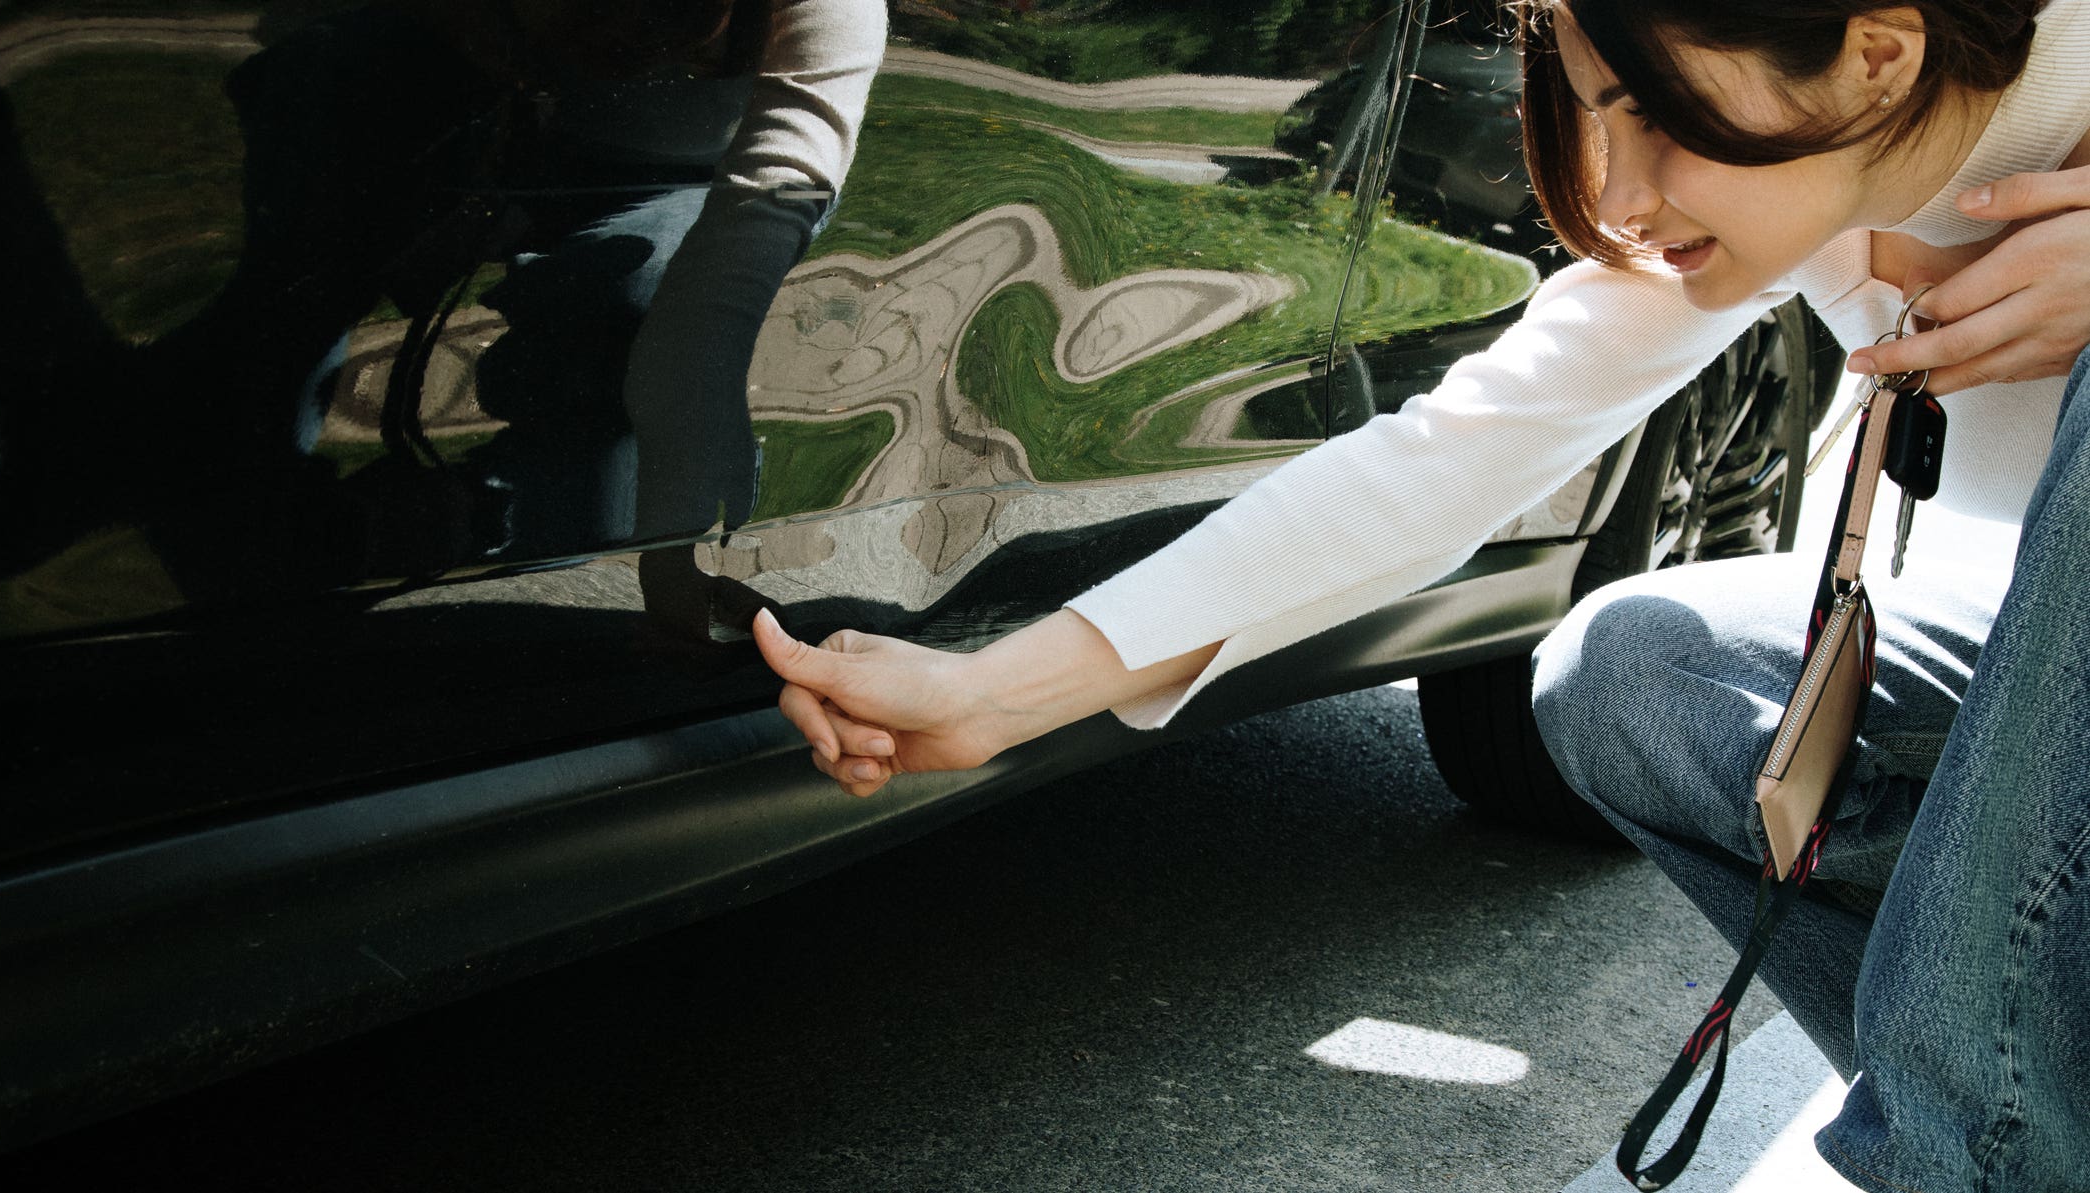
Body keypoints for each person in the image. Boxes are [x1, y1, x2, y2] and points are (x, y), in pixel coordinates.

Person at [753, 2, 2090, 1188]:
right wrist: (994, 694)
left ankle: (1964, 1156)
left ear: (1874, 54)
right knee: (1638, 673)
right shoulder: (1817, 165)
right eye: (1585, 107)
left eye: (1648, 114)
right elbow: (1456, 455)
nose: (1615, 193)